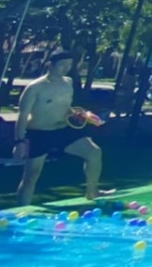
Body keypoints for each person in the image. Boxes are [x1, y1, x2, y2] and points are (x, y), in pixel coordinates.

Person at [13, 52, 106, 205]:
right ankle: (21, 209)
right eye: (62, 65)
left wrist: (83, 115)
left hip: (63, 130)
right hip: (39, 133)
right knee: (31, 175)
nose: (66, 68)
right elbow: (22, 115)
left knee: (94, 152)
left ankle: (92, 192)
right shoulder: (35, 87)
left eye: (69, 65)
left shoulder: (68, 82)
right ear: (50, 65)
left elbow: (65, 107)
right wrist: (19, 142)